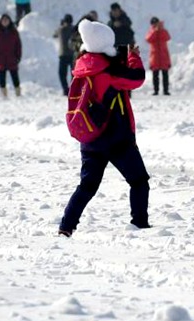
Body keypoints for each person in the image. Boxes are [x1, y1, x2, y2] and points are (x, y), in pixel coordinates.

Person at [59, 20, 150, 236]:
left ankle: (66, 226)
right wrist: (133, 57)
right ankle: (139, 223)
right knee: (139, 181)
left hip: (90, 138)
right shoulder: (108, 71)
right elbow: (136, 79)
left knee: (87, 187)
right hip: (116, 138)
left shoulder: (82, 66)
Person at [0, 13, 21, 98]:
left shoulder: (14, 32)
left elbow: (18, 45)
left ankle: (18, 93)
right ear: (0, 22)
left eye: (7, 20)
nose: (5, 22)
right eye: (3, 20)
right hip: (1, 59)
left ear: (9, 21)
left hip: (12, 58)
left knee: (15, 77)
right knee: (2, 78)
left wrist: (18, 56)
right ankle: (4, 95)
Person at [145, 17, 172, 96]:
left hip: (163, 55)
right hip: (155, 56)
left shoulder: (163, 31)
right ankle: (156, 90)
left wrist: (161, 30)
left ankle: (166, 90)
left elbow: (168, 37)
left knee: (165, 74)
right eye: (154, 23)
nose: (155, 25)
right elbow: (148, 39)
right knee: (155, 75)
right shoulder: (151, 32)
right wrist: (155, 31)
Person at [54, 14, 75, 96]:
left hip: (63, 55)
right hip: (73, 55)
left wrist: (61, 24)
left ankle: (65, 89)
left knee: (62, 74)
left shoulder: (61, 29)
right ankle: (73, 89)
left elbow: (54, 34)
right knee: (73, 74)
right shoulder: (74, 29)